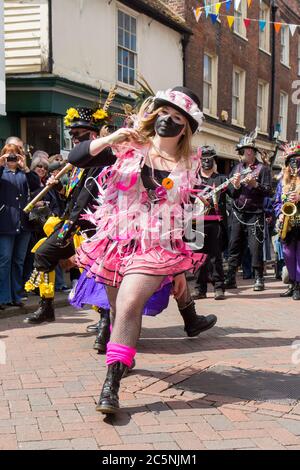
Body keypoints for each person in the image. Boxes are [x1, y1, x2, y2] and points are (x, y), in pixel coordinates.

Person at [68, 86, 218, 414]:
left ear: (186, 128)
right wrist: (109, 139)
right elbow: (75, 157)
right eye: (164, 113)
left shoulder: (185, 166)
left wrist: (177, 269)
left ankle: (111, 385)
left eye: (177, 118)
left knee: (129, 301)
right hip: (115, 240)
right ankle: (123, 356)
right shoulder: (129, 147)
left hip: (155, 248)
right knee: (117, 306)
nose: (168, 120)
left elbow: (180, 219)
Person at [23, 105, 116, 324]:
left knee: (97, 271)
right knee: (43, 254)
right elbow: (73, 197)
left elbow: (91, 197)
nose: (73, 138)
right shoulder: (77, 164)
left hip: (93, 227)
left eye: (77, 133)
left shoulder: (101, 160)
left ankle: (105, 320)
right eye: (71, 134)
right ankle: (47, 308)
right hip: (70, 224)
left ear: (93, 134)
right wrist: (58, 188)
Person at [224, 129, 272, 291]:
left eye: (251, 150)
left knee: (255, 246)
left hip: (255, 214)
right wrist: (236, 185)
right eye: (245, 150)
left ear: (254, 152)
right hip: (238, 213)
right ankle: (230, 277)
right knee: (234, 245)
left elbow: (268, 191)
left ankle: (259, 278)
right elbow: (230, 192)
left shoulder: (263, 169)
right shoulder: (236, 168)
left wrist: (255, 185)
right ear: (242, 152)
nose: (248, 152)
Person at [194, 146, 237, 300]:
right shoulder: (193, 179)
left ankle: (219, 288)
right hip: (196, 222)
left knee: (215, 256)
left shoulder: (221, 179)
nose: (206, 161)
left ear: (214, 160)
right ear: (199, 160)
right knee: (198, 256)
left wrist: (237, 183)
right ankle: (200, 289)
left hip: (215, 223)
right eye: (203, 158)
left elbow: (234, 194)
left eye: (209, 158)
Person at [0, 144, 40, 309]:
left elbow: (36, 186)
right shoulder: (1, 172)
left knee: (18, 261)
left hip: (23, 223)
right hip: (5, 222)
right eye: (8, 155)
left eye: (15, 155)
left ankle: (16, 295)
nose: (11, 159)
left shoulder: (25, 174)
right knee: (4, 260)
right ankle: (3, 296)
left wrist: (26, 168)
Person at [273, 143, 300, 300]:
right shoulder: (282, 183)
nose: (294, 165)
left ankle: (298, 285)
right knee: (288, 255)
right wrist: (280, 213)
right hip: (287, 224)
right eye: (291, 162)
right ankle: (292, 283)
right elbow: (276, 202)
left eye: (297, 161)